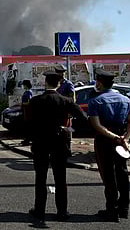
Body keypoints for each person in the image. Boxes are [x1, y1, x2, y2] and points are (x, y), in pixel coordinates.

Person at [28, 70, 87, 224]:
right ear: (59, 84)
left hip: (40, 142)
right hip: (60, 141)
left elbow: (29, 123)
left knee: (40, 178)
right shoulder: (66, 101)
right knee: (60, 178)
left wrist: (32, 138)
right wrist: (69, 125)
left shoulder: (35, 101)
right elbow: (83, 118)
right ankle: (62, 211)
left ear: (45, 83)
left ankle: (39, 210)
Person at [88, 69, 130, 222]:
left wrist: (115, 138)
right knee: (122, 173)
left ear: (99, 83)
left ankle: (112, 210)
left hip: (105, 140)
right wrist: (125, 139)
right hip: (122, 140)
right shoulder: (125, 100)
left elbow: (97, 125)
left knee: (108, 175)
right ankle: (124, 209)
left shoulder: (96, 100)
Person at [55, 64, 76, 157]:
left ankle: (68, 149)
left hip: (66, 112)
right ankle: (58, 150)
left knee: (68, 130)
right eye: (59, 73)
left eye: (62, 73)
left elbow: (72, 98)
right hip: (57, 112)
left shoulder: (68, 84)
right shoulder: (55, 83)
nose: (61, 75)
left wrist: (70, 111)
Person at [21, 79, 33, 146]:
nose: (23, 86)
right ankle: (26, 139)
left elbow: (29, 102)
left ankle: (28, 139)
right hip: (25, 110)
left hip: (27, 110)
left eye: (24, 85)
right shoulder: (26, 92)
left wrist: (23, 103)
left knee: (28, 125)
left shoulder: (29, 92)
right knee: (26, 125)